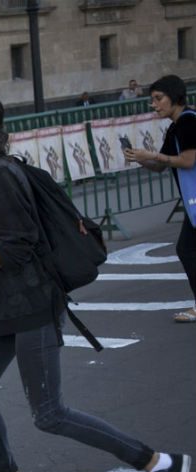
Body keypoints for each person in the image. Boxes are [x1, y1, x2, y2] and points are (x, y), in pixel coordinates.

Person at [0, 92, 189, 472]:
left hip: (31, 304)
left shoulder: (0, 175)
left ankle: (159, 463)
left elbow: (16, 248)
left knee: (50, 414)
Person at [122, 74, 196, 324]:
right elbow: (161, 166)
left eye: (158, 98)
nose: (153, 104)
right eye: (152, 99)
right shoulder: (176, 126)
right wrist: (139, 158)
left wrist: (152, 154)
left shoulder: (188, 122)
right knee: (187, 249)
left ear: (174, 97)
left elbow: (187, 161)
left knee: (187, 249)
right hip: (192, 203)